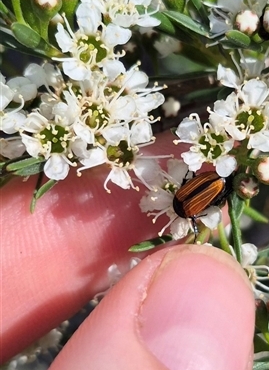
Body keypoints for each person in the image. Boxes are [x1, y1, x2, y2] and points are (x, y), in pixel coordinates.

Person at [0, 133, 255, 370]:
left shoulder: (186, 204)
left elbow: (195, 191)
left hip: (207, 187)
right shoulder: (187, 204)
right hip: (208, 187)